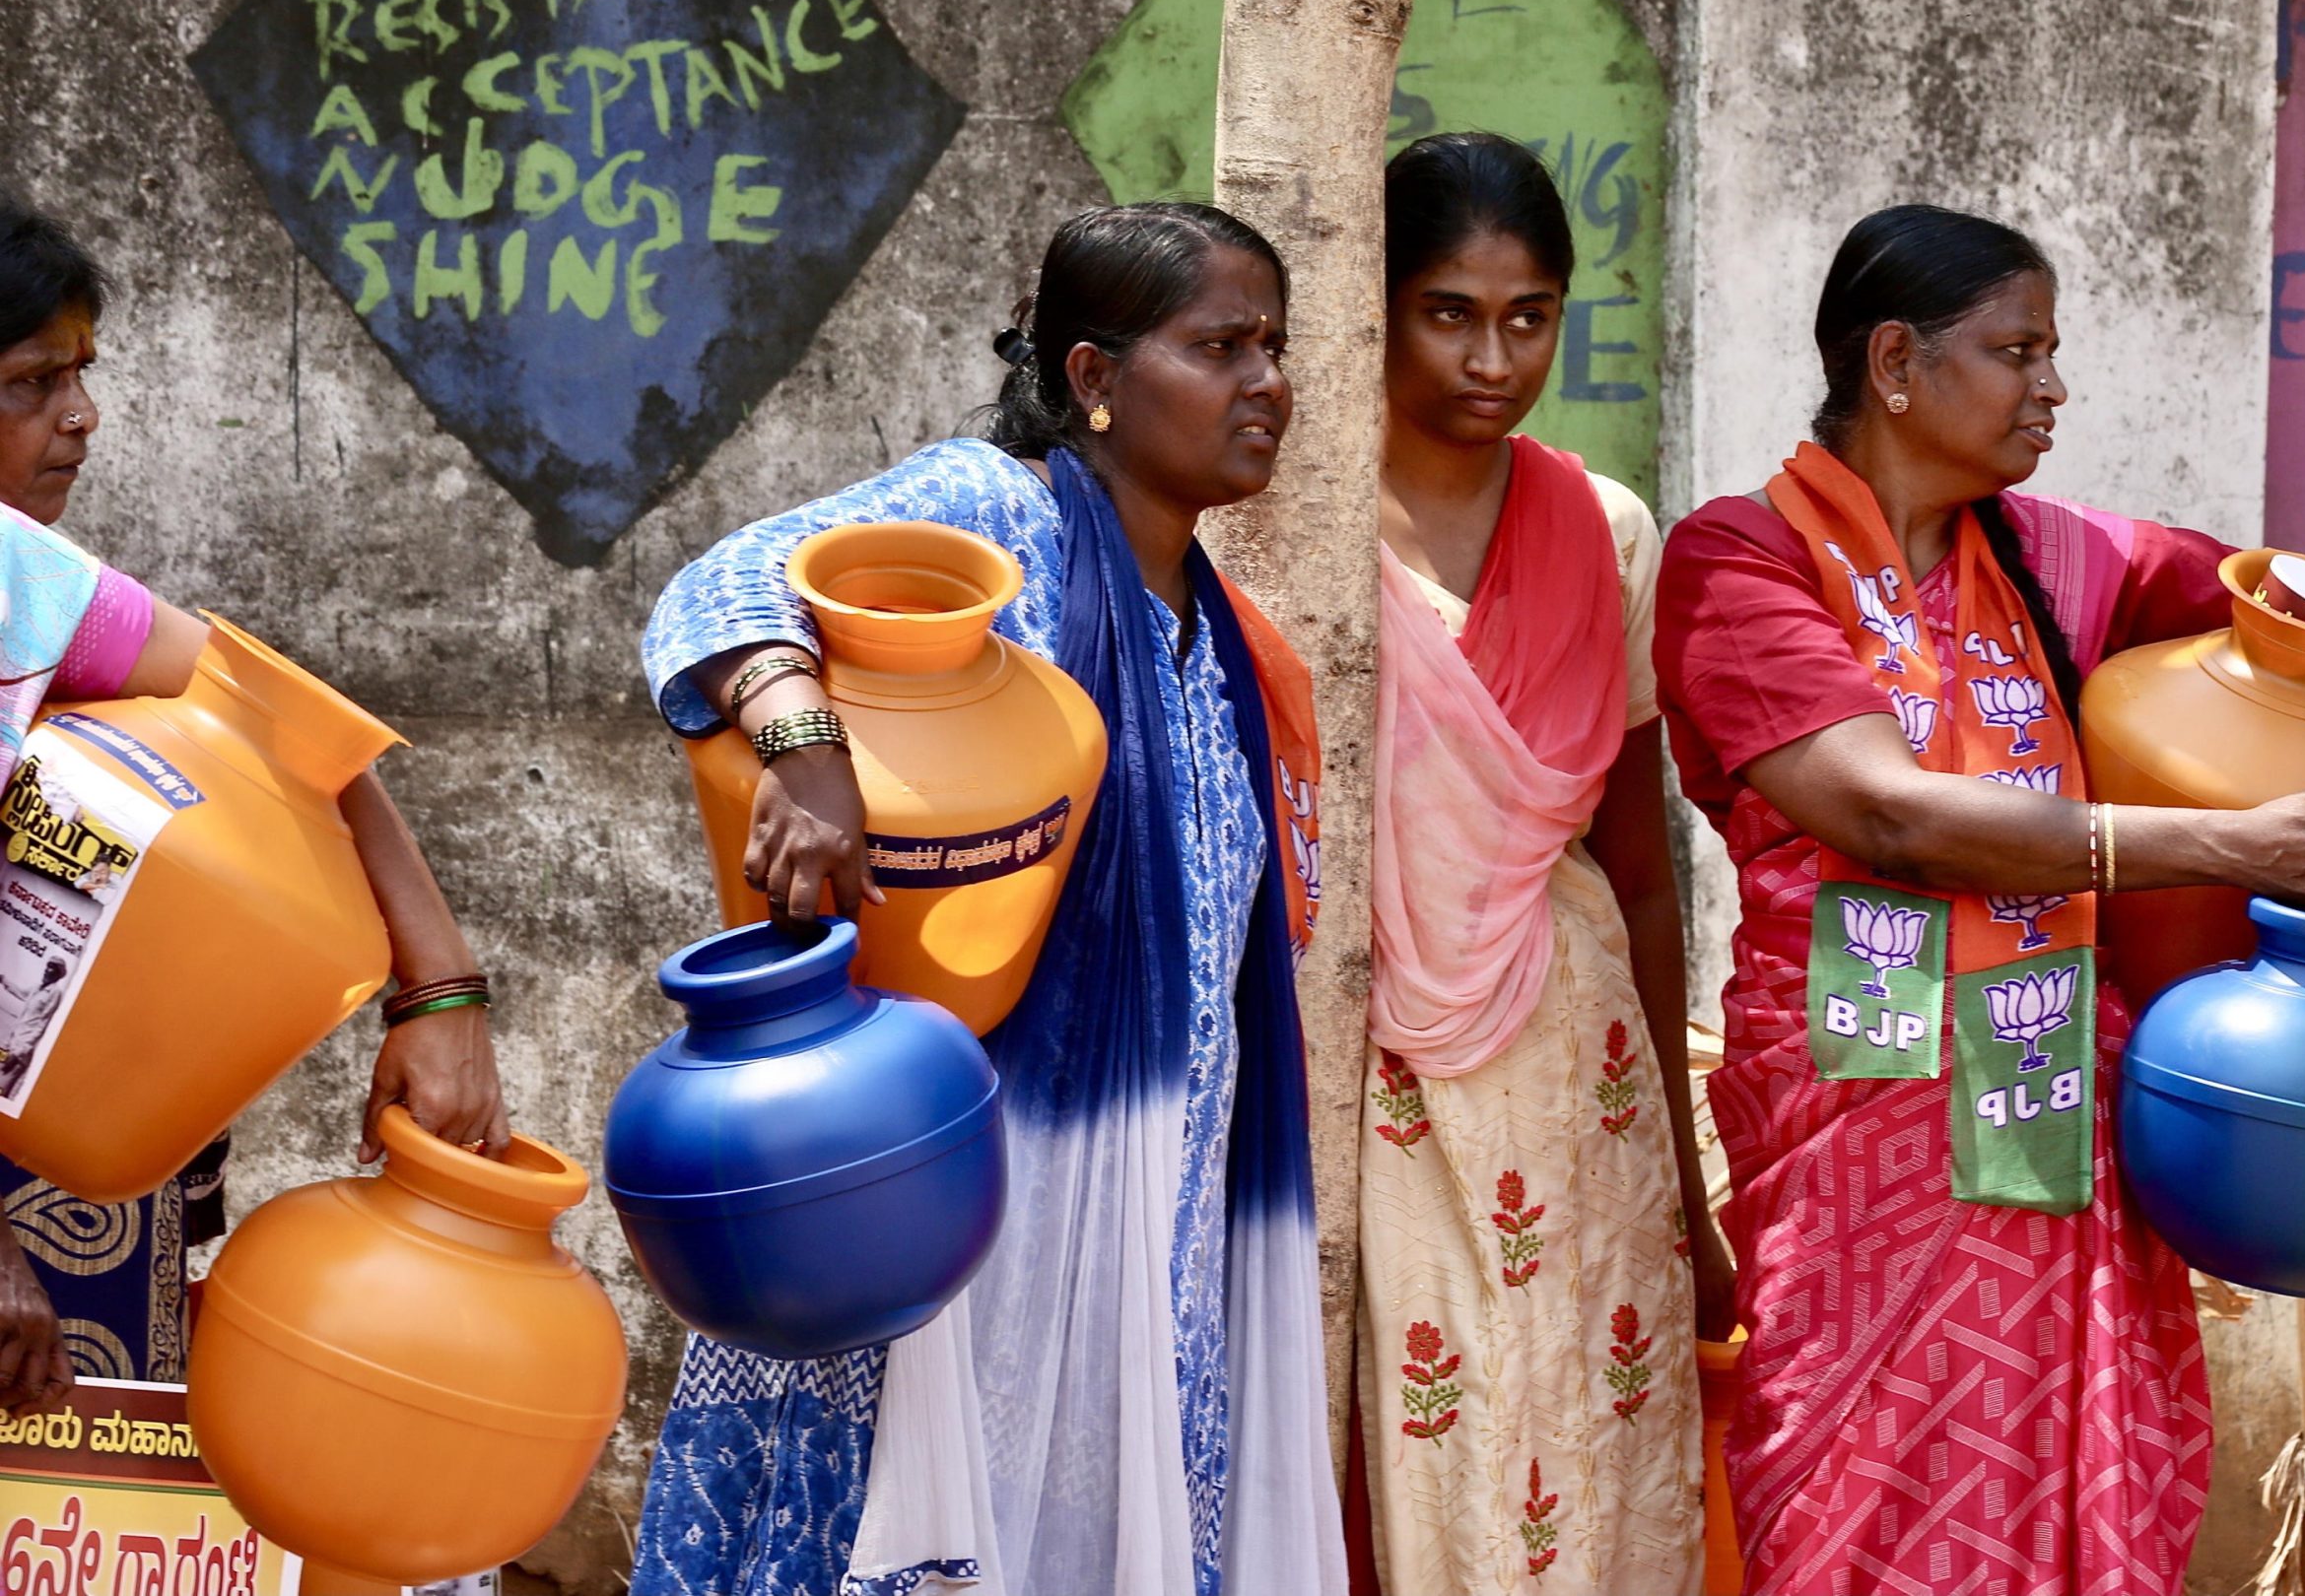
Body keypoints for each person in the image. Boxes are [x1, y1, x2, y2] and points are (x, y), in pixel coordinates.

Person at [1654, 203, 2305, 1594]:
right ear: (1895, 363)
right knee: (1845, 1509)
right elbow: (1889, 813)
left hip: (2048, 1100)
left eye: (2051, 351)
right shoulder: (1742, 559)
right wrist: (2242, 847)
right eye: (2018, 351)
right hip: (1852, 1126)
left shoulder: (2070, 561)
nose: (2054, 386)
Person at [632, 202, 1340, 1596]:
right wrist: (805, 746)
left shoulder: (1214, 631)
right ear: (1093, 376)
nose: (1267, 381)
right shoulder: (1000, 512)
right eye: (1220, 347)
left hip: (1155, 1218)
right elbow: (723, 583)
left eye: (1274, 346)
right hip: (958, 1212)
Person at [0, 192, 509, 1417]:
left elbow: (280, 723)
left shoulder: (25, 580)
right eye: (31, 382)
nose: (81, 413)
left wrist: (440, 991)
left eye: (81, 372)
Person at [1353, 133, 1727, 1596]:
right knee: (1421, 1437)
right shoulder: (1297, 532)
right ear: (1375, 305)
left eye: (1530, 316)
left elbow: (1638, 867)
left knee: (1591, 1425)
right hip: (1372, 1070)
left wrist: (1684, 1177)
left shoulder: (1608, 529)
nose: (1493, 358)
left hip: (1581, 1070)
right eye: (1448, 312)